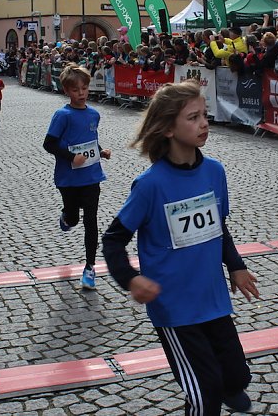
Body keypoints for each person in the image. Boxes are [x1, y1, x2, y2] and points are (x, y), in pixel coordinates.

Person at [103, 80, 259, 416]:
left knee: (236, 376)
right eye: (193, 117)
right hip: (175, 308)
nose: (204, 123)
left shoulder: (214, 172)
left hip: (213, 299)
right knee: (205, 394)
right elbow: (113, 239)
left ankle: (230, 386)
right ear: (168, 128)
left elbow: (219, 228)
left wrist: (236, 265)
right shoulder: (150, 185)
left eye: (204, 114)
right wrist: (131, 279)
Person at [43, 64, 111, 290]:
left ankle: (90, 267)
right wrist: (71, 157)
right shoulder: (62, 115)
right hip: (69, 178)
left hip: (91, 176)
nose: (81, 93)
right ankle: (67, 217)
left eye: (84, 88)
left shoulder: (94, 114)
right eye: (75, 90)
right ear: (66, 91)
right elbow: (49, 144)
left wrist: (100, 151)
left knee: (91, 220)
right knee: (73, 218)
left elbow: (89, 140)